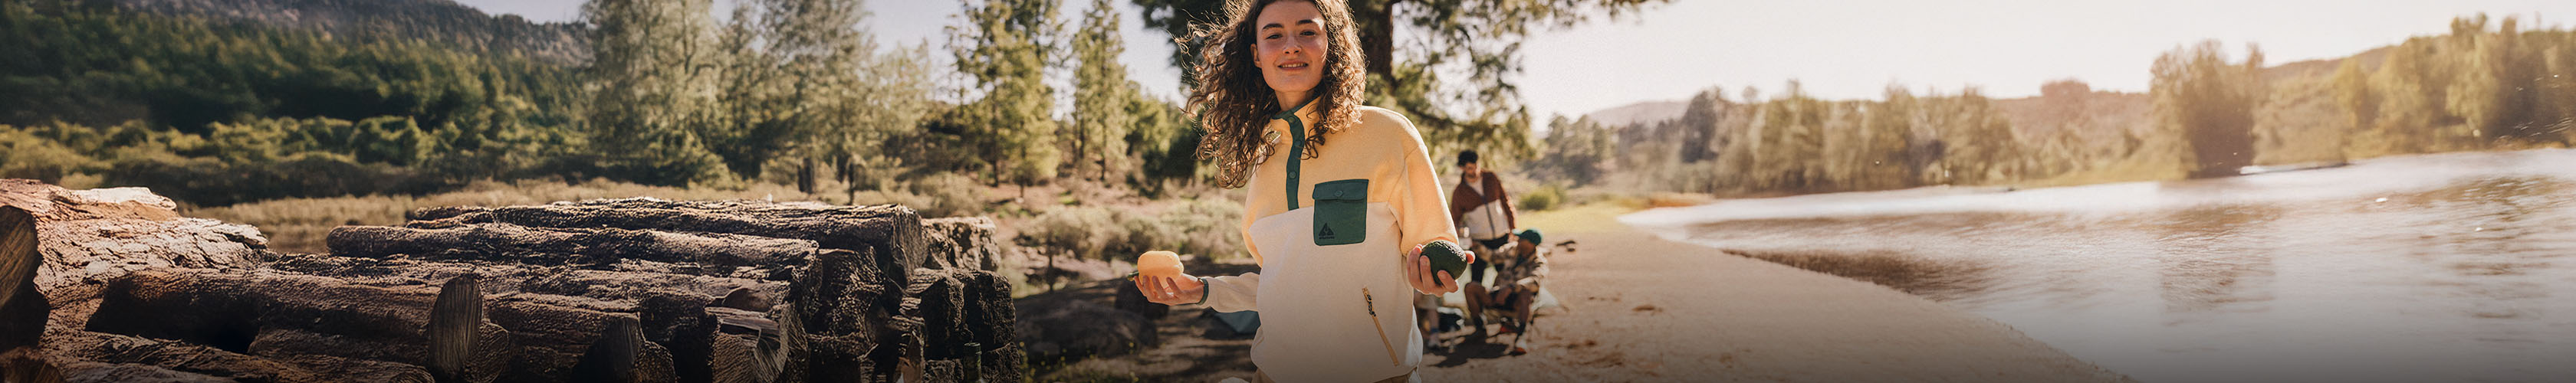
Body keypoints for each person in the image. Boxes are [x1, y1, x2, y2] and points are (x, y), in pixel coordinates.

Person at [1131, 0, 1468, 381]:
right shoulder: (1265, 157)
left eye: (1308, 32)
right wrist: (1203, 291)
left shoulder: (1389, 136)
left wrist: (1428, 274)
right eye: (1274, 35)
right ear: (1257, 56)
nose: (1291, 45)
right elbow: (1284, 283)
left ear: (1331, 45)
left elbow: (1434, 248)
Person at [1447, 149, 1516, 339]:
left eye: (1476, 166)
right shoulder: (1460, 193)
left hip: (1502, 237)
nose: (1474, 171)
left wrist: (1513, 227)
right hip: (1479, 242)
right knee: (1475, 280)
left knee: (1507, 277)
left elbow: (1505, 200)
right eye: (1470, 168)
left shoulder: (1491, 178)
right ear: (1462, 168)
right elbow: (1455, 219)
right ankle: (1479, 321)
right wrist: (1461, 239)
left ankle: (1508, 318)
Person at [1474, 228, 1549, 355]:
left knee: (1526, 295)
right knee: (1472, 287)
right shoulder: (1512, 249)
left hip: (1517, 299)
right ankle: (1479, 327)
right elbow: (1492, 256)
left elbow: (1535, 281)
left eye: (1522, 239)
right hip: (1498, 294)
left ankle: (1521, 335)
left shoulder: (1539, 261)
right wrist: (1477, 246)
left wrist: (1512, 288)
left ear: (1531, 244)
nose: (1518, 240)